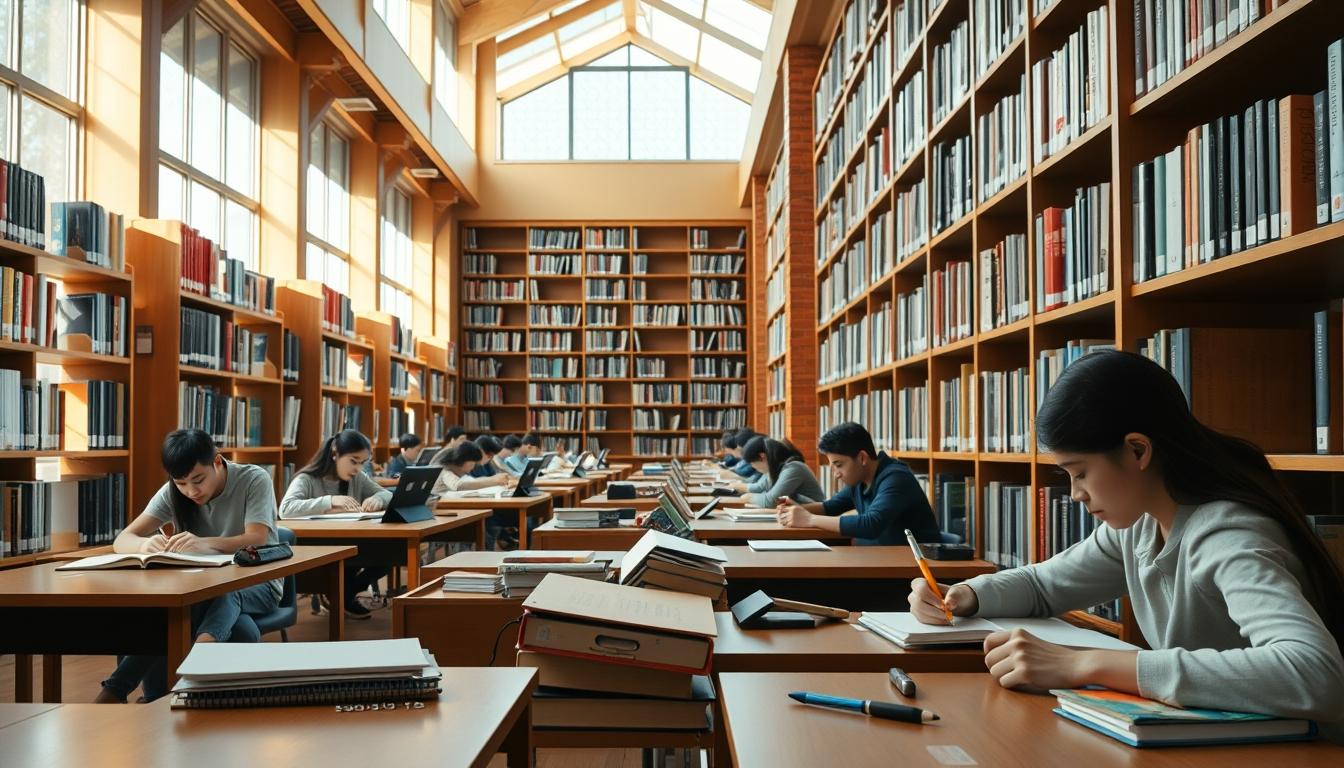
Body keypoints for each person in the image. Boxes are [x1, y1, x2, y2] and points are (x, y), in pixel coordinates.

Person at [908, 350, 1344, 733]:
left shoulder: (1229, 537)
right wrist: (963, 595)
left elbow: (1316, 673)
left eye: (1080, 473)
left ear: (1137, 451)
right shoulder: (1140, 525)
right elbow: (1045, 586)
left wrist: (1083, 664)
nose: (1076, 494)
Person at [96, 429, 280, 703]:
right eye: (181, 483)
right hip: (200, 588)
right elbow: (124, 538)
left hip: (257, 582)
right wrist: (144, 546)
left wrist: (206, 544)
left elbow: (257, 537)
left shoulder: (254, 478)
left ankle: (123, 687)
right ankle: (163, 694)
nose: (191, 491)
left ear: (217, 463)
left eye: (198, 480)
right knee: (168, 614)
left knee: (225, 592)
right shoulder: (174, 491)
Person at [278, 430, 391, 619]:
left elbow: (387, 494)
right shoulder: (306, 479)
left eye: (362, 463)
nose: (358, 468)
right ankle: (340, 597)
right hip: (317, 546)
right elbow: (286, 509)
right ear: (335, 453)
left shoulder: (358, 478)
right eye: (353, 461)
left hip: (353, 540)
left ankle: (342, 595)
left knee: (387, 555)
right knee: (356, 557)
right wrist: (329, 501)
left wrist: (378, 499)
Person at [775, 422, 939, 545]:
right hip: (880, 562)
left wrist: (809, 519)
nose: (836, 474)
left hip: (913, 571)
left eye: (839, 465)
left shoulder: (896, 478)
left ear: (862, 458)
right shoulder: (860, 480)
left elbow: (871, 524)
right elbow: (830, 507)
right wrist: (795, 511)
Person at [739, 436, 825, 508]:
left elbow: (771, 501)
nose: (753, 467)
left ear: (762, 457)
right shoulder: (776, 468)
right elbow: (760, 487)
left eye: (752, 463)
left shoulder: (793, 468)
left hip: (815, 516)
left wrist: (749, 497)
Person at [431, 440, 511, 496]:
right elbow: (458, 485)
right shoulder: (444, 470)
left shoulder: (457, 471)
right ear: (465, 460)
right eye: (473, 463)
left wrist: (495, 479)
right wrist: (494, 481)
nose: (473, 468)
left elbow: (473, 480)